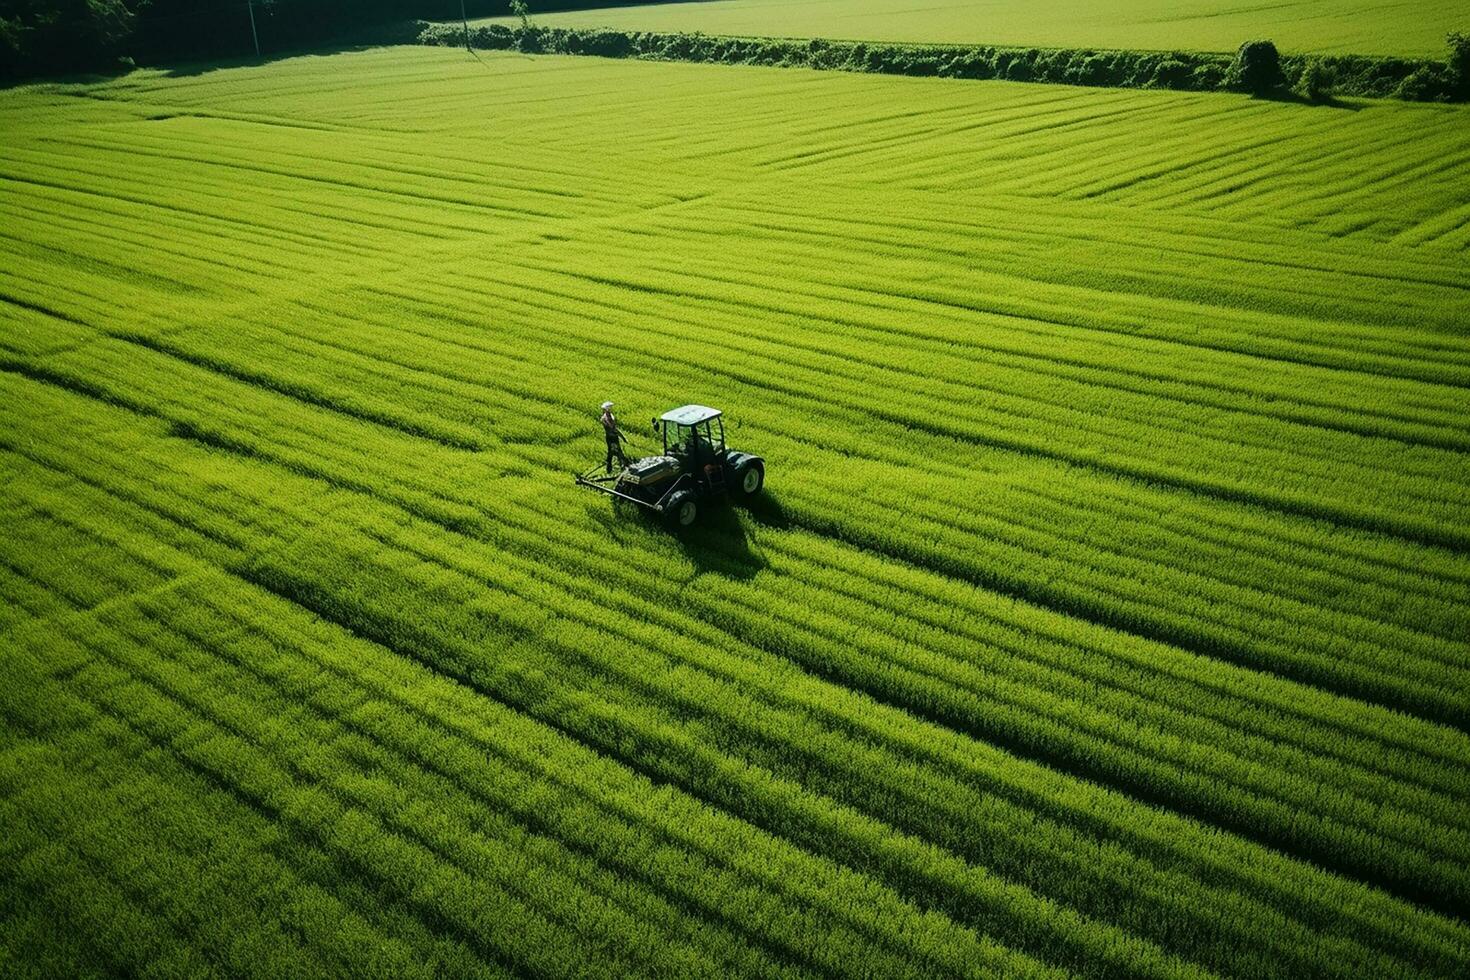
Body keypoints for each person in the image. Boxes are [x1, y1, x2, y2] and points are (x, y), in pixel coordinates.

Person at [600, 401, 628, 473]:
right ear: (607, 409)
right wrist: (622, 437)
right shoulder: (606, 419)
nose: (611, 409)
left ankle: (609, 468)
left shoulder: (607, 417)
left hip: (610, 437)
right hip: (612, 437)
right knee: (618, 451)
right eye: (609, 408)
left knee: (611, 452)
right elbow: (613, 428)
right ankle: (622, 467)